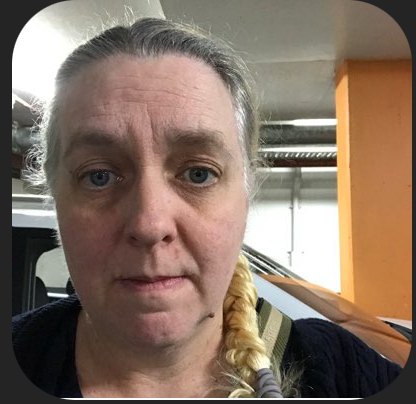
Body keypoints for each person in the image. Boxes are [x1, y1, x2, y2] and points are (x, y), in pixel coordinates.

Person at [12, 17, 402, 398]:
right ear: (55, 197)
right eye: (99, 176)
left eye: (198, 174)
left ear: (247, 195)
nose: (150, 224)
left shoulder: (344, 374)